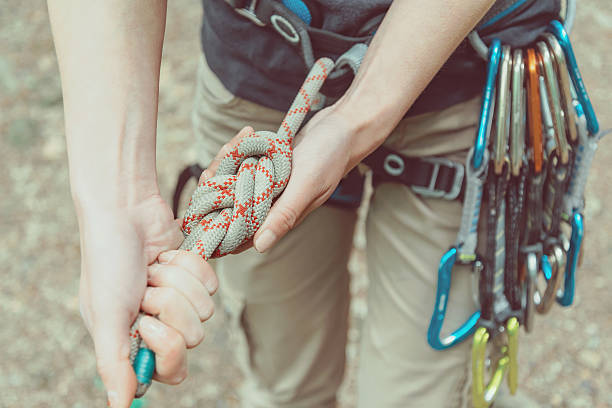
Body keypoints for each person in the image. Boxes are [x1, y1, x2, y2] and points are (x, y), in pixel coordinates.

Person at [48, 0, 565, 407]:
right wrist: (117, 204)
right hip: (259, 63)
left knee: (419, 397)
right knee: (283, 387)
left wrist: (355, 118)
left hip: (470, 70)